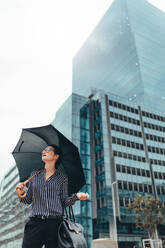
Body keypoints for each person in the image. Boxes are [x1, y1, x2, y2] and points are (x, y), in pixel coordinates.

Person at [16, 144, 89, 248]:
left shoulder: (62, 178)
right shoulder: (34, 175)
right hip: (35, 223)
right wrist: (22, 192)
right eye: (43, 150)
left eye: (48, 150)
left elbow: (64, 201)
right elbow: (27, 200)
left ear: (56, 156)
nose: (43, 151)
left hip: (55, 225)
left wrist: (76, 196)